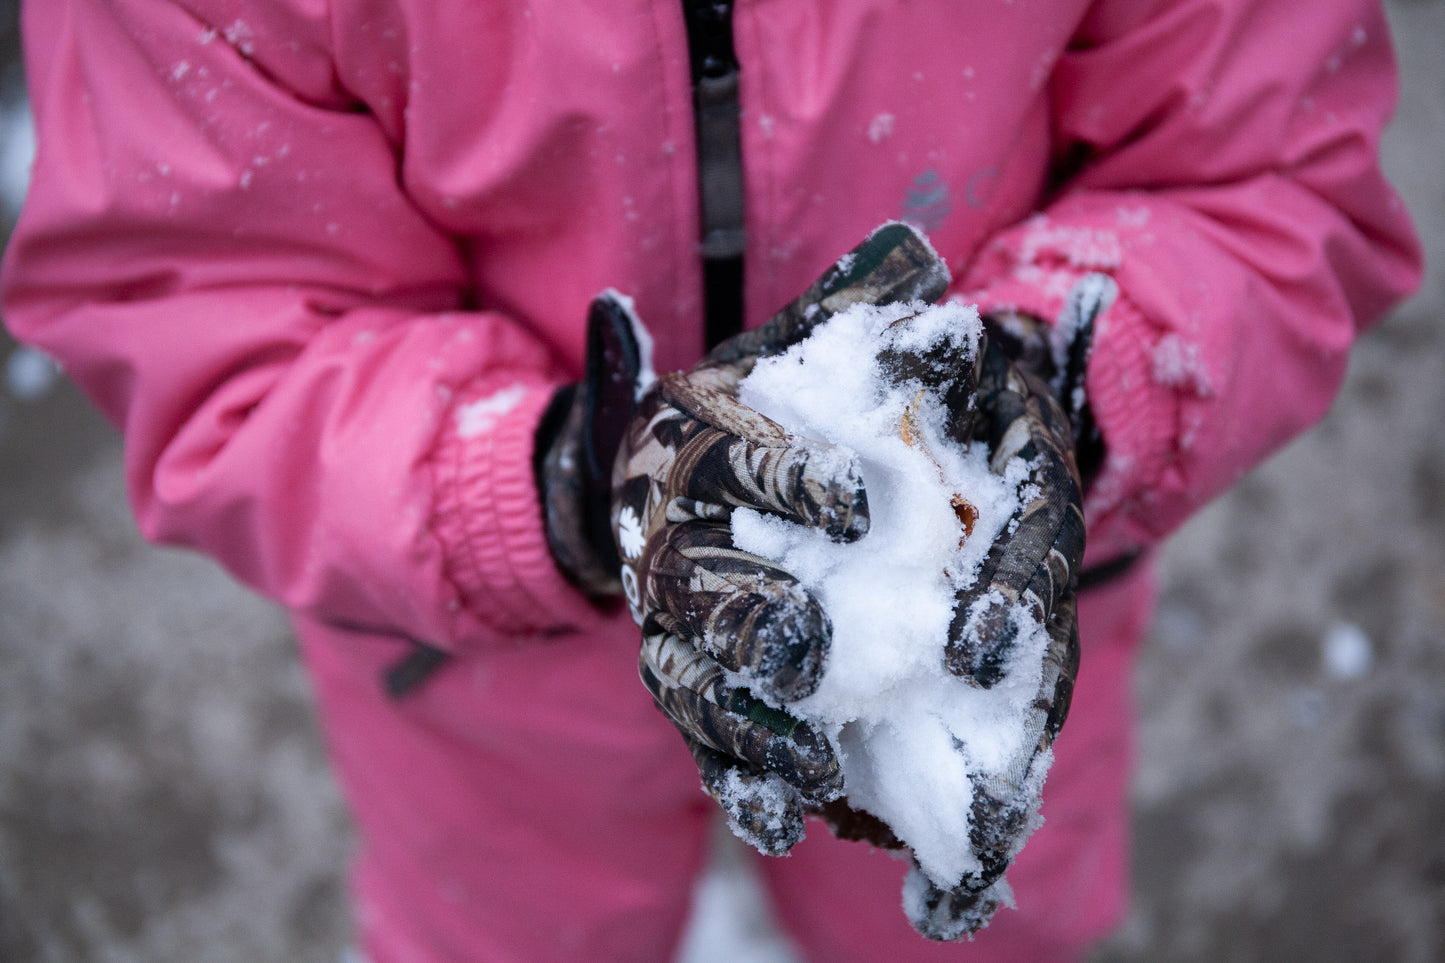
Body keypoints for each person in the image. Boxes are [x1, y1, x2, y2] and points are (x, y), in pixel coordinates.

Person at [0, 1, 1420, 960]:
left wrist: (1052, 391)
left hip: (973, 617)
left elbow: (1264, 172)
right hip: (484, 682)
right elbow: (217, 303)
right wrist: (556, 484)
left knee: (969, 921)